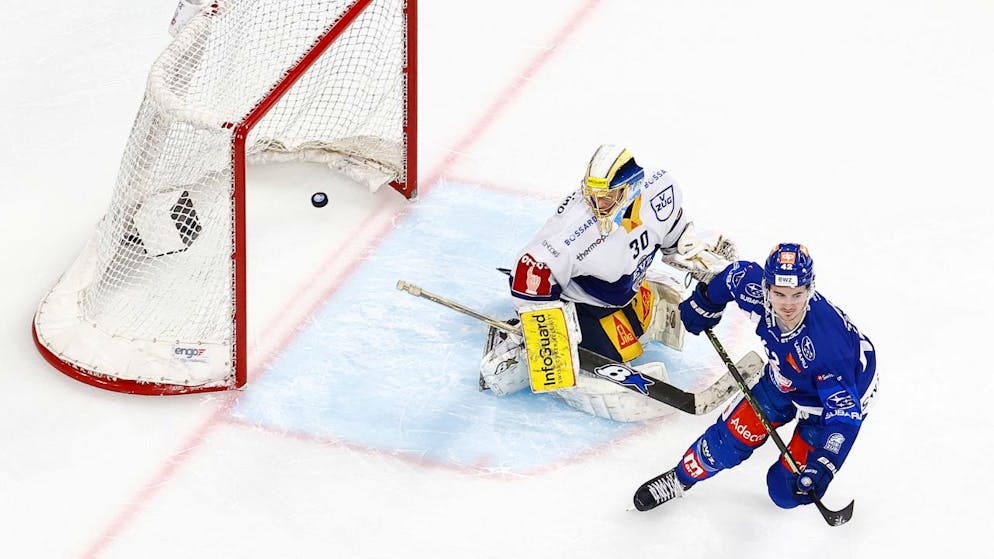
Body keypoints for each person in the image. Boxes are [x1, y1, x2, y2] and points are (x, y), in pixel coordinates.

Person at [479, 144, 735, 421]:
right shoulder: (574, 231)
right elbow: (530, 272)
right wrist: (548, 337)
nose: (597, 205)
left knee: (651, 317)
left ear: (631, 188)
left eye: (607, 196)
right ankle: (521, 344)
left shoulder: (660, 189)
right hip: (578, 303)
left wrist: (704, 265)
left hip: (625, 289)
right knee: (610, 356)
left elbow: (675, 237)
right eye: (592, 195)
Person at [633, 243, 878, 511]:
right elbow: (732, 277)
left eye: (797, 295)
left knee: (783, 490)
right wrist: (705, 303)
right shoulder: (752, 286)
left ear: (811, 289)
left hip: (829, 401)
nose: (788, 305)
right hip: (784, 377)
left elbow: (844, 417)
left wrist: (825, 463)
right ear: (766, 287)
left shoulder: (826, 349)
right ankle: (679, 478)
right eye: (779, 294)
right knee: (728, 439)